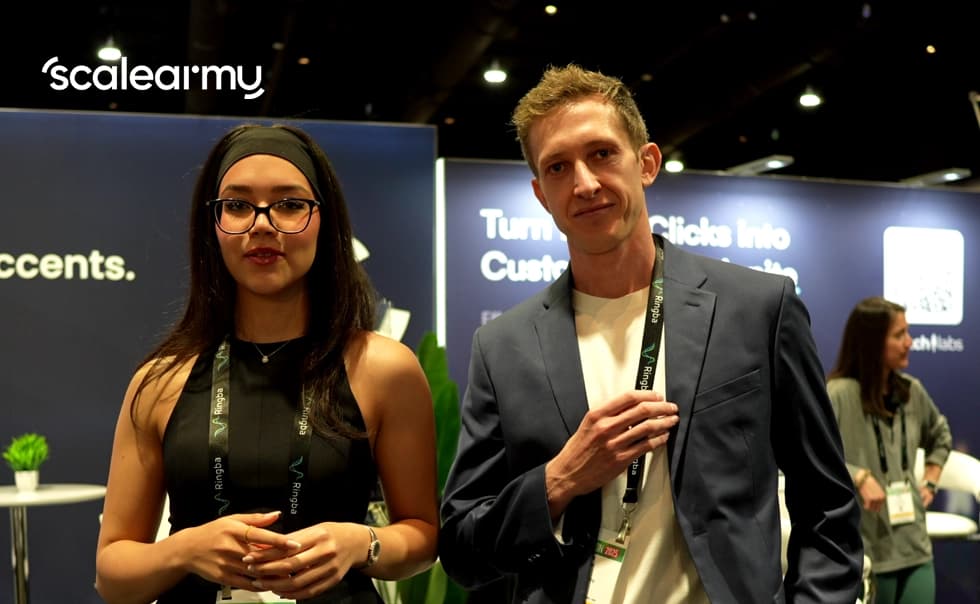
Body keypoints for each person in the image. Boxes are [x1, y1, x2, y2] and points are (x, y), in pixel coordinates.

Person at [438, 64, 864, 603]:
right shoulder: (503, 347)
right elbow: (462, 547)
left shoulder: (758, 308)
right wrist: (559, 481)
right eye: (558, 167)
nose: (585, 184)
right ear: (541, 194)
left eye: (601, 154)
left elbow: (827, 505)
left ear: (647, 162)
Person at [95, 124, 439, 603]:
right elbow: (113, 573)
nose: (262, 224)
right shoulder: (160, 380)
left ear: (325, 220)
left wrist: (359, 542)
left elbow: (422, 534)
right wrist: (185, 550)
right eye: (237, 205)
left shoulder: (383, 367)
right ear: (211, 225)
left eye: (290, 204)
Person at [827, 296, 952, 604]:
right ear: (871, 341)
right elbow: (812, 458)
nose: (909, 342)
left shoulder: (911, 391)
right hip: (864, 550)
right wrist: (858, 476)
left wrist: (931, 479)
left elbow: (940, 435)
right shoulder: (838, 394)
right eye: (899, 335)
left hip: (914, 545)